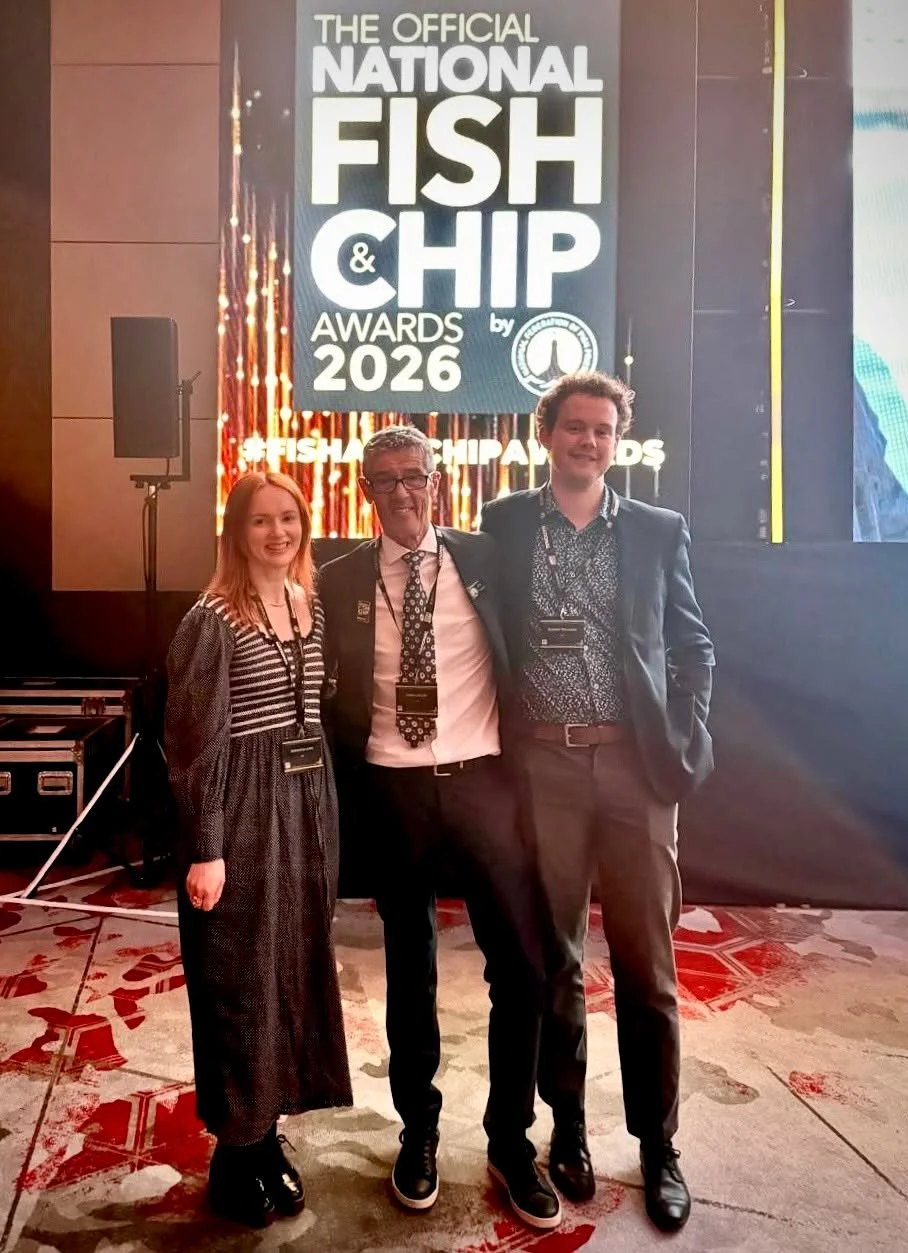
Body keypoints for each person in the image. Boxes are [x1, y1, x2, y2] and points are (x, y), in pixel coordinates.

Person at [480, 371, 716, 1234]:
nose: (588, 441)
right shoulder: (506, 522)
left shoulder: (656, 529)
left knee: (649, 968)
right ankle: (569, 1129)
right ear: (547, 433)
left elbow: (693, 645)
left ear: (617, 441)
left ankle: (659, 1144)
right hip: (543, 766)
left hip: (635, 771)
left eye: (603, 430)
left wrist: (682, 742)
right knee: (556, 964)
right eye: (575, 426)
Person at [318, 425, 561, 1231]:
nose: (401, 491)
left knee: (521, 967)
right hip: (394, 788)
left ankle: (510, 1140)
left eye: (413, 475)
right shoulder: (337, 579)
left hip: (485, 782)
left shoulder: (487, 558)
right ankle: (417, 1130)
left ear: (438, 479)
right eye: (385, 479)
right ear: (365, 490)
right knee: (410, 965)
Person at [164, 470, 353, 1228]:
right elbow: (193, 743)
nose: (278, 533)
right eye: (261, 521)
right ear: (236, 534)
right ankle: (234, 1151)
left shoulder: (310, 602)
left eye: (289, 518)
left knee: (290, 971)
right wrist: (207, 845)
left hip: (306, 805)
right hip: (241, 807)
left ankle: (266, 1131)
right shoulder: (211, 618)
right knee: (239, 979)